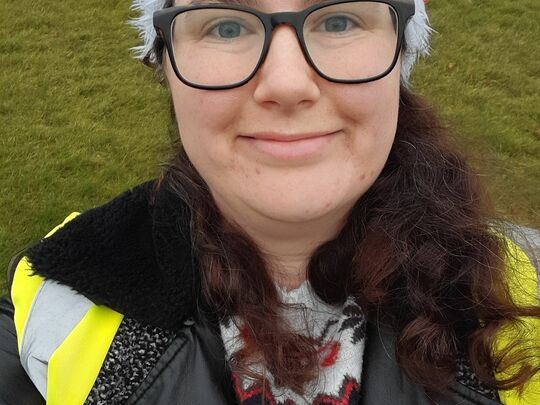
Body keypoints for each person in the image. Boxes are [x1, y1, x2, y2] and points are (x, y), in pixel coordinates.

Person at [0, 0, 539, 404]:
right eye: (226, 25)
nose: (286, 83)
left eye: (339, 20)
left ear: (400, 56)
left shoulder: (525, 295)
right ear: (164, 66)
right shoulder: (57, 301)